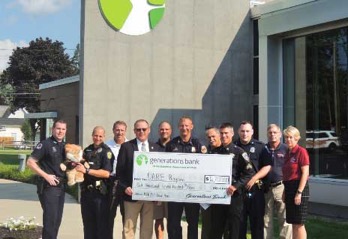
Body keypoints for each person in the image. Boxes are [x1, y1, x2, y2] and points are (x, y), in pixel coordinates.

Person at [209, 123, 255, 239]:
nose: (224, 136)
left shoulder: (239, 152)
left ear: (232, 134)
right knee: (216, 228)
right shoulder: (214, 152)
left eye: (226, 133)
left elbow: (249, 173)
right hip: (218, 196)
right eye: (222, 133)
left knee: (233, 229)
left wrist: (235, 186)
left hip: (234, 196)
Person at [116, 119, 159, 239]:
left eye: (144, 129)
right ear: (134, 131)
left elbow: (159, 173)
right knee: (129, 228)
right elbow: (119, 172)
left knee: (147, 228)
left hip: (149, 197)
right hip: (131, 195)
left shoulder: (156, 148)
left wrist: (158, 192)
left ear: (149, 130)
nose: (141, 132)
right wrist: (125, 187)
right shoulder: (126, 147)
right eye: (138, 129)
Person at [166, 116, 206, 239]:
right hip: (175, 191)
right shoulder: (171, 145)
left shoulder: (198, 144)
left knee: (193, 223)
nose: (184, 128)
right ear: (178, 127)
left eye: (187, 125)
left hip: (192, 191)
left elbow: (204, 165)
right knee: (173, 222)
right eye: (182, 125)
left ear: (191, 126)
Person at [27, 119, 67, 239]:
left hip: (61, 187)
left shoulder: (65, 146)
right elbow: (30, 162)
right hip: (49, 188)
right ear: (53, 129)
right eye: (58, 128)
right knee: (50, 221)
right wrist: (46, 175)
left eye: (63, 129)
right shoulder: (45, 144)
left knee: (57, 221)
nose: (60, 131)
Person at [234, 121, 271, 239]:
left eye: (247, 131)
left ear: (252, 132)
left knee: (257, 224)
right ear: (238, 132)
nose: (245, 134)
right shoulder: (234, 146)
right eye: (242, 131)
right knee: (239, 224)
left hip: (256, 190)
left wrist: (254, 178)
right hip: (238, 192)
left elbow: (267, 166)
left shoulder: (260, 146)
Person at [75, 126, 113, 239]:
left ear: (104, 137)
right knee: (88, 225)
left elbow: (106, 173)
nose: (97, 138)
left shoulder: (107, 152)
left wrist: (87, 170)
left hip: (100, 195)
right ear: (92, 135)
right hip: (87, 193)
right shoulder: (87, 150)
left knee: (101, 226)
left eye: (100, 136)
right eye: (96, 135)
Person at [263, 124, 292, 239]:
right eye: (270, 132)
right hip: (266, 188)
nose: (272, 135)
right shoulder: (264, 149)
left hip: (282, 187)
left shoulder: (286, 149)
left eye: (275, 132)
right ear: (267, 134)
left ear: (280, 134)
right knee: (266, 219)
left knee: (285, 219)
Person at [283, 126, 310, 239]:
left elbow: (305, 173)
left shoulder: (301, 151)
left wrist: (299, 192)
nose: (288, 140)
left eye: (291, 137)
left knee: (299, 223)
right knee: (293, 222)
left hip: (299, 187)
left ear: (297, 138)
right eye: (286, 137)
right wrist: (285, 191)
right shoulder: (287, 153)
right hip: (289, 187)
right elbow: (287, 174)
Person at [105, 120, 128, 238]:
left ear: (126, 131)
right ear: (113, 130)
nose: (119, 132)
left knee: (127, 216)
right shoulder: (106, 146)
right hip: (111, 182)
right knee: (109, 214)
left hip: (126, 183)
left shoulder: (130, 145)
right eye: (117, 130)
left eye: (122, 130)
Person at [154, 121, 172, 239]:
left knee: (172, 220)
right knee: (158, 219)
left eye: (166, 129)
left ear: (171, 131)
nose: (164, 131)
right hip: (158, 189)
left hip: (173, 189)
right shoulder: (153, 147)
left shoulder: (177, 145)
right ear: (158, 131)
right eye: (162, 129)